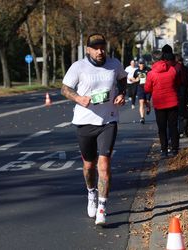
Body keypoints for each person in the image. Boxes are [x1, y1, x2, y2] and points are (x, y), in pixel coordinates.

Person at [61, 33, 127, 226]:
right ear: (88, 49)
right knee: (89, 166)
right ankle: (91, 192)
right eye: (95, 48)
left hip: (109, 120)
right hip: (85, 121)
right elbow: (65, 89)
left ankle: (102, 207)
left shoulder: (114, 64)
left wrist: (122, 94)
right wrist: (79, 99)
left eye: (102, 47)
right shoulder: (78, 67)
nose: (100, 51)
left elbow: (123, 79)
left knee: (104, 164)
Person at [144, 45, 180, 158]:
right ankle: (175, 149)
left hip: (159, 104)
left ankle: (164, 150)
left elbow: (147, 89)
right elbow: (177, 83)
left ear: (153, 60)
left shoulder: (151, 74)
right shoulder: (172, 70)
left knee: (162, 128)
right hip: (173, 101)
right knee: (173, 126)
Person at [175, 53, 188, 138]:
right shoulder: (185, 68)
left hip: (178, 91)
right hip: (186, 91)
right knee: (185, 112)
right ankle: (185, 131)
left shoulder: (176, 68)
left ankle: (180, 131)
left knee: (179, 113)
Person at [133, 58, 151, 124]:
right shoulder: (136, 71)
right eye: (140, 63)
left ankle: (149, 108)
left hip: (148, 88)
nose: (141, 65)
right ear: (138, 64)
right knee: (141, 102)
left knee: (147, 102)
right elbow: (134, 79)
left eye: (142, 63)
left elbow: (152, 77)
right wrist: (135, 80)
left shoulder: (148, 70)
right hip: (140, 88)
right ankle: (142, 118)